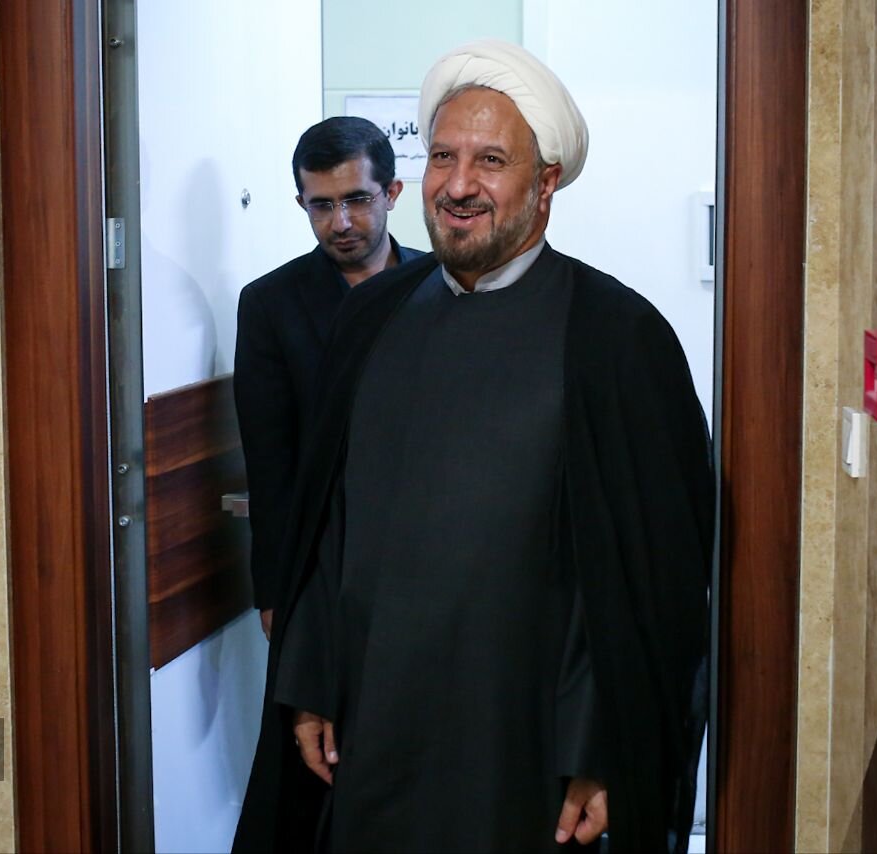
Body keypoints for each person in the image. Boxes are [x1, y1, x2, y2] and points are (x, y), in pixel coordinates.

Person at [235, 40, 712, 854]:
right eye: (443, 157)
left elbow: (650, 582)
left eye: (491, 160)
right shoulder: (374, 316)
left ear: (545, 183)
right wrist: (311, 681)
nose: (458, 186)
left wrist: (601, 749)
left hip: (523, 750)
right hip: (373, 729)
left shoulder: (616, 338)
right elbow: (328, 517)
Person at [234, 117, 422, 641]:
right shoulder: (271, 304)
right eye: (321, 205)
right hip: (324, 558)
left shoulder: (440, 287)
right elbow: (269, 464)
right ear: (302, 203)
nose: (340, 222)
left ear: (392, 193)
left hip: (430, 548)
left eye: (357, 200)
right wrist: (273, 591)